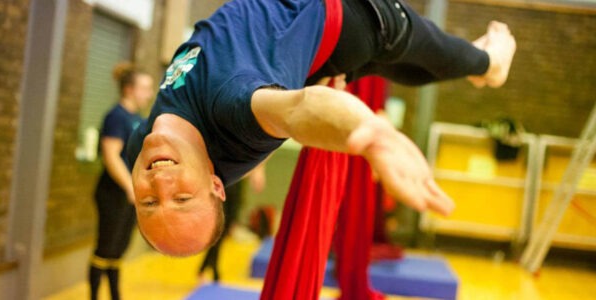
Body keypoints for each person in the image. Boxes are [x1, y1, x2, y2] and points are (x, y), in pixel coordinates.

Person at [126, 0, 516, 257]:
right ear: (215, 185)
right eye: (181, 198)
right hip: (354, 18)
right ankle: (488, 64)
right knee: (423, 45)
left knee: (408, 64)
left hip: (320, 53)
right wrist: (369, 133)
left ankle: (474, 68)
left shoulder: (137, 151)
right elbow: (299, 111)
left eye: (148, 202)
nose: (161, 184)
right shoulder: (234, 114)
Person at [89, 62, 153, 300]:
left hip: (130, 194)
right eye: (144, 88)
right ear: (129, 89)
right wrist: (128, 186)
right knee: (105, 248)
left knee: (118, 250)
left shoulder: (137, 118)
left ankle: (115, 295)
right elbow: (111, 155)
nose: (149, 94)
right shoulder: (116, 116)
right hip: (112, 193)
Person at [197, 163, 267, 283]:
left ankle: (208, 266)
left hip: (237, 178)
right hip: (223, 177)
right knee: (220, 227)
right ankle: (211, 268)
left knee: (227, 226)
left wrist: (258, 170)